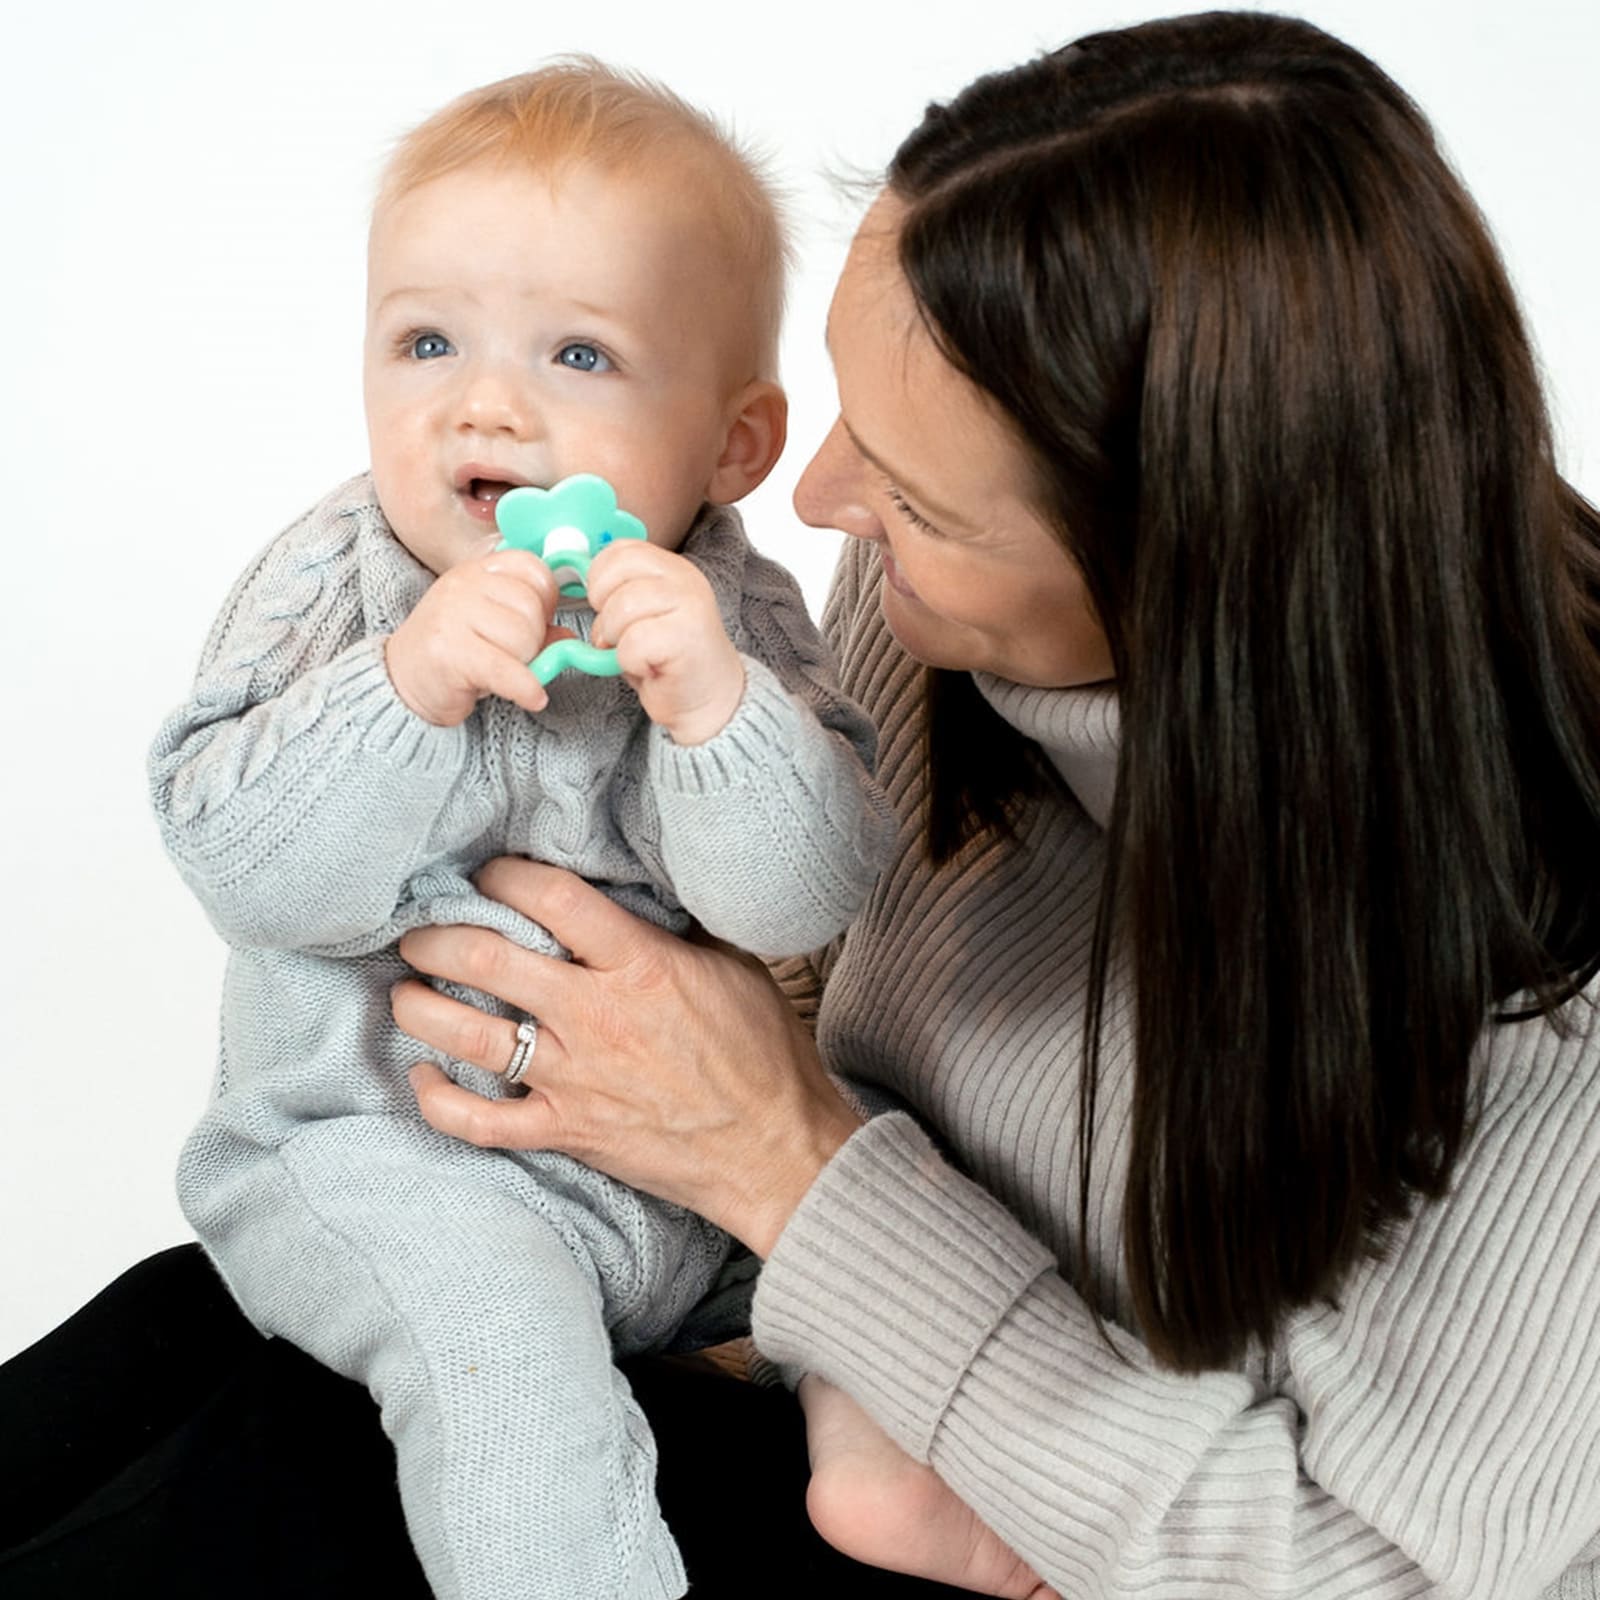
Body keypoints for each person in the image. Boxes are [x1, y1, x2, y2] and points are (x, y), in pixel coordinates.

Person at [4, 10, 1599, 1599]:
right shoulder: (903, 599)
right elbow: (773, 942)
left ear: (1176, 562)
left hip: (1075, 1532)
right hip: (730, 1302)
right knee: (184, 1357)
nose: (823, 499)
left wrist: (786, 1167)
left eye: (911, 493)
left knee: (352, 1456)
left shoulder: (1545, 1027)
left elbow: (1372, 1570)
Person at [140, 60, 892, 1600]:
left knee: (903, 1247)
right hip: (381, 1160)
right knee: (500, 1351)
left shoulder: (733, 613)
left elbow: (800, 903)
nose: (483, 403)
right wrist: (403, 690)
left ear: (736, 446)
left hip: (677, 1197)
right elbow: (246, 870)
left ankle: (905, 1491)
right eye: (426, 340)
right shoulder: (340, 584)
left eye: (578, 353)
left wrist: (715, 712)